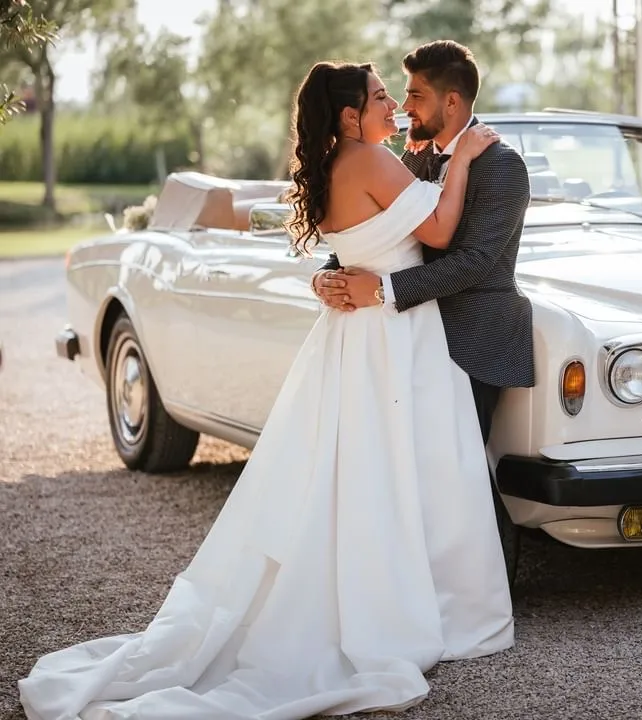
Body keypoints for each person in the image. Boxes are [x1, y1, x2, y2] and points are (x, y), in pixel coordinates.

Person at [19, 60, 515, 720]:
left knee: (364, 474)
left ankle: (384, 596)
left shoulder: (344, 163)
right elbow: (441, 234)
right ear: (348, 116)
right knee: (400, 469)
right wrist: (460, 163)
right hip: (392, 337)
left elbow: (359, 242)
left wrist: (339, 265)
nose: (392, 104)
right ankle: (411, 606)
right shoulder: (371, 160)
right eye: (377, 97)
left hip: (358, 336)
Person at [310, 40, 536, 449]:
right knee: (410, 471)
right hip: (408, 339)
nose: (404, 105)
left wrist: (380, 291)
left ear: (451, 102)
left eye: (416, 94)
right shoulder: (413, 159)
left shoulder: (502, 166)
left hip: (473, 342)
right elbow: (375, 231)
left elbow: (475, 262)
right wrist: (328, 276)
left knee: (463, 477)